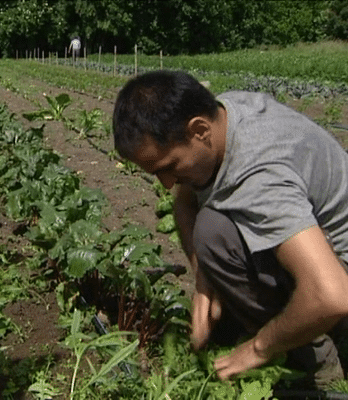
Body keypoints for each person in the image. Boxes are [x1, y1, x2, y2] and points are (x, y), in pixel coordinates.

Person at [112, 70, 348, 388]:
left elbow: (332, 295)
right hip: (317, 241)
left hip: (338, 270)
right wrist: (202, 279)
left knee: (213, 233)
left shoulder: (260, 176)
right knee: (210, 231)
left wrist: (259, 347)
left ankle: (313, 356)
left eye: (169, 167)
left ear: (199, 130)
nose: (166, 182)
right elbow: (184, 202)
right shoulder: (221, 115)